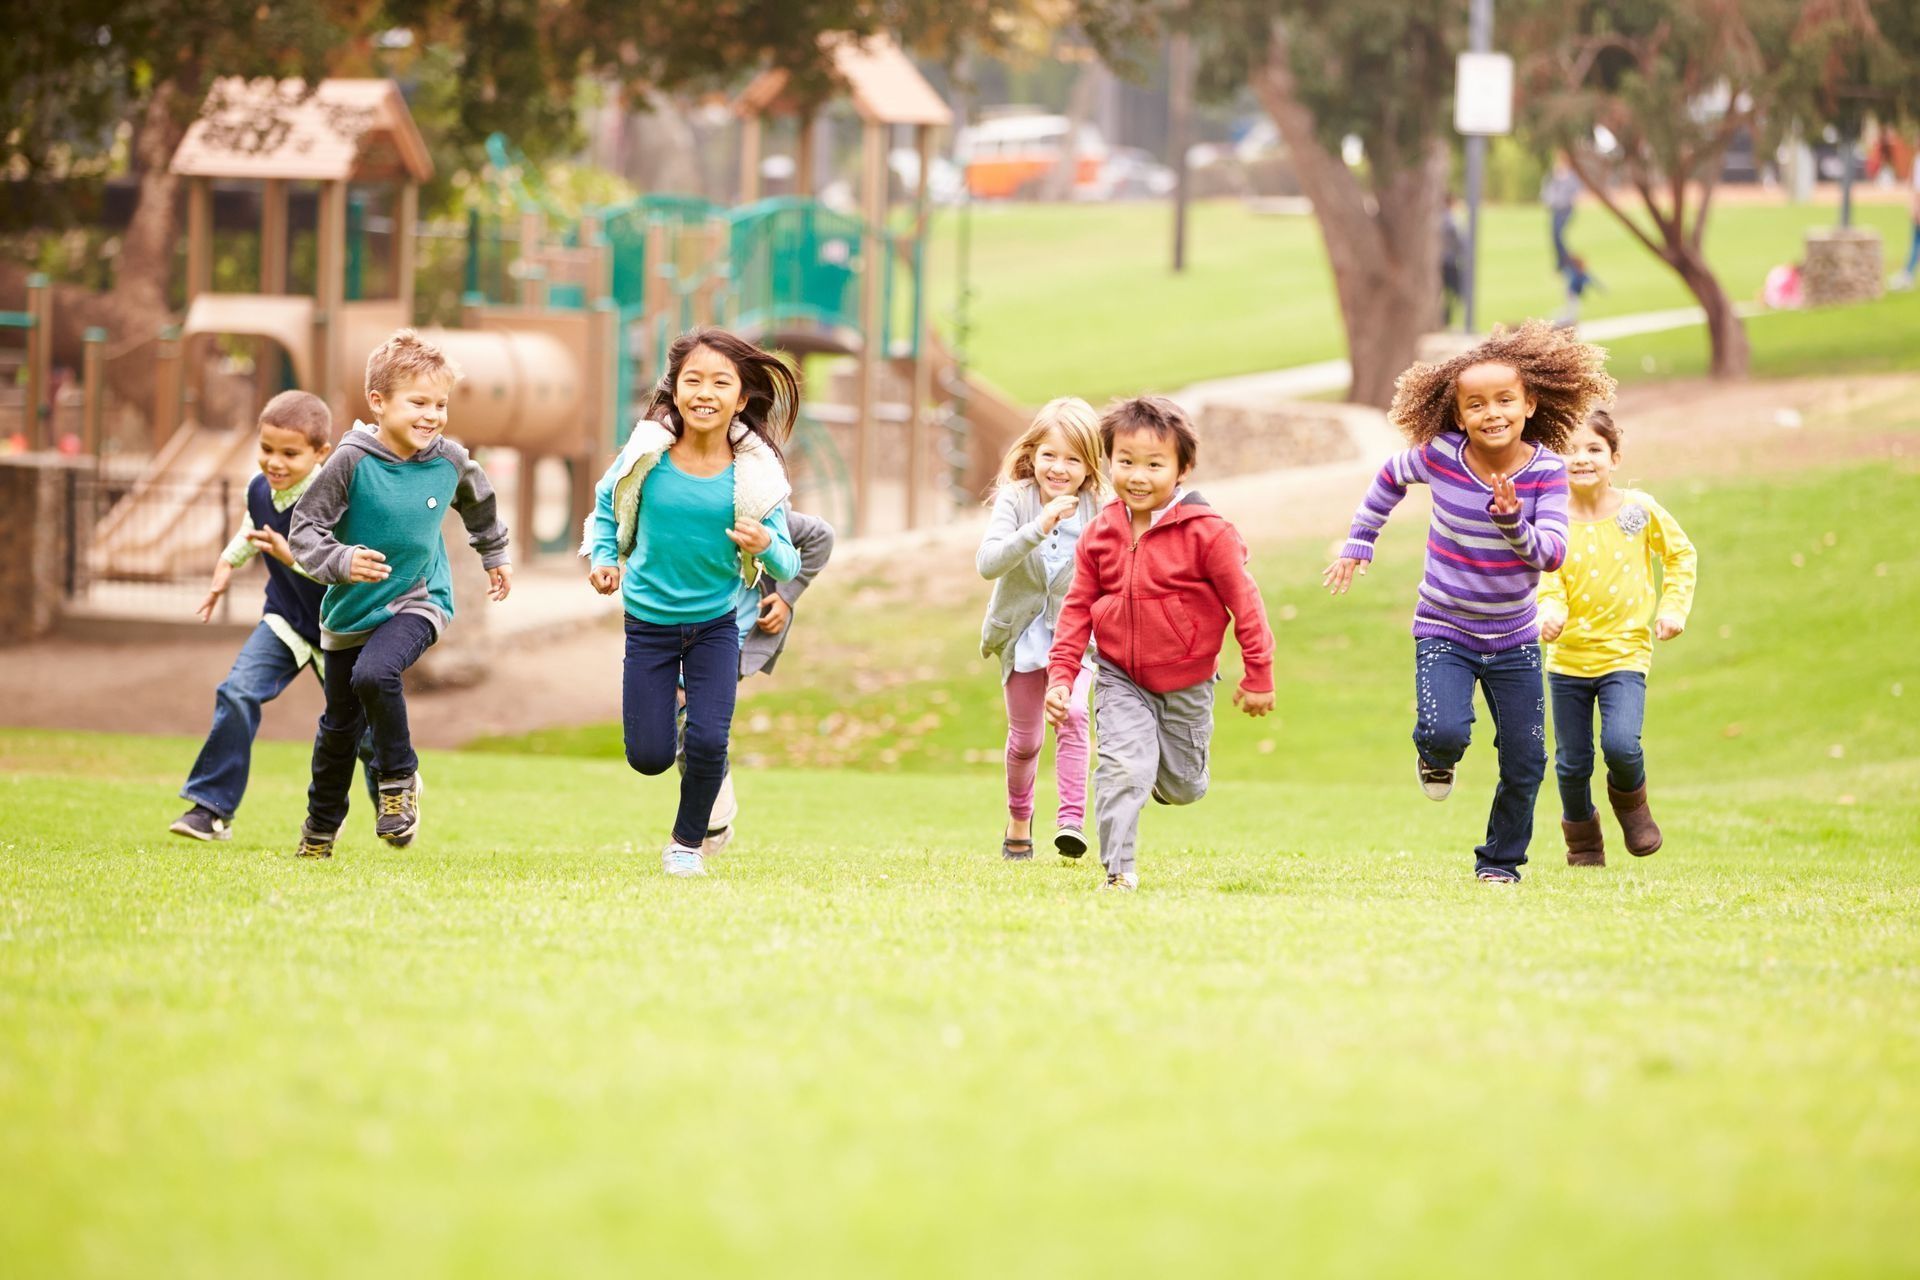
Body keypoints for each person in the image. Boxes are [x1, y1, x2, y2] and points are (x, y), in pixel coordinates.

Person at [1324, 321, 1613, 883]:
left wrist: (1512, 525)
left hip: (1515, 639)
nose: (1492, 413)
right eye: (1475, 404)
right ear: (1458, 416)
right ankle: (1434, 755)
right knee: (1444, 733)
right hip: (1444, 627)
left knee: (1527, 761)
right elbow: (1389, 476)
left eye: (1505, 400)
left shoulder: (1547, 474)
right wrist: (1362, 538)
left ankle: (1500, 863)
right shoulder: (1440, 457)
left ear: (1530, 404)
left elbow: (1551, 554)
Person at [584, 327, 800, 878]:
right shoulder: (646, 456)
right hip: (648, 625)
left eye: (720, 382)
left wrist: (766, 544)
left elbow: (789, 565)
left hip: (715, 626)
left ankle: (686, 844)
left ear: (741, 397)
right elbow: (609, 507)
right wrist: (604, 559)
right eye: (693, 380)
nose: (706, 392)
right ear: (675, 390)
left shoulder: (754, 475)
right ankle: (676, 722)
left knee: (709, 740)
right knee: (650, 756)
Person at [289, 330, 513, 858]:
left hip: (420, 598)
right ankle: (320, 829)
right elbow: (305, 531)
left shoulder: (450, 459)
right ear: (378, 401)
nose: (432, 415)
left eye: (440, 404)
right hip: (350, 612)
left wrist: (495, 554)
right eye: (418, 402)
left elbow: (478, 500)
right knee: (339, 729)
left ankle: (398, 783)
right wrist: (342, 561)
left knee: (376, 672)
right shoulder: (350, 461)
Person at [1044, 396, 1275, 892]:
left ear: (1182, 468)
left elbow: (1247, 605)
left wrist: (1259, 674)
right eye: (1125, 462)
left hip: (1187, 682)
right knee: (1123, 768)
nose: (1138, 476)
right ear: (1108, 463)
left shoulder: (1209, 535)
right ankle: (1118, 871)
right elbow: (1076, 610)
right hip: (1119, 676)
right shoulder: (1099, 534)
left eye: (1154, 464)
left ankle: (1166, 776)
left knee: (1184, 786)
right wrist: (1062, 677)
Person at [171, 391, 370, 839]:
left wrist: (291, 557)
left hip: (338, 632)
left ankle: (394, 800)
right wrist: (225, 567)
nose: (274, 463)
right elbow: (251, 529)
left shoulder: (334, 498)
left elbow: (347, 571)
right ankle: (210, 809)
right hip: (284, 622)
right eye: (266, 449)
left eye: (289, 453)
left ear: (322, 453)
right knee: (237, 692)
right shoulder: (260, 489)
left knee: (367, 736)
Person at [1537, 409, 1696, 866]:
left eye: (1593, 449)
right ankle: (1583, 841)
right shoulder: (1552, 521)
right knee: (1571, 763)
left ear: (1615, 458)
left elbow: (1681, 554)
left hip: (1625, 654)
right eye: (1568, 450)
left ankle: (1633, 808)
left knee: (1621, 745)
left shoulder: (1638, 510)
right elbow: (1546, 579)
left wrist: (1672, 609)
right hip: (1567, 662)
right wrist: (1549, 613)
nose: (1580, 458)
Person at [977, 396, 1108, 862]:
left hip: (1078, 638)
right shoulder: (1016, 499)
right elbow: (988, 564)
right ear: (1032, 453)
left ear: (1090, 467)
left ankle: (1070, 823)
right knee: (1027, 740)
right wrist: (1039, 525)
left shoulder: (1100, 508)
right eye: (1050, 454)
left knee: (1073, 715)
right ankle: (1018, 817)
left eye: (1073, 458)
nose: (1059, 468)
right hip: (1020, 635)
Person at [680, 504, 836, 857]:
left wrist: (784, 596)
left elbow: (821, 537)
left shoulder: (756, 508)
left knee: (696, 725)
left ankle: (709, 825)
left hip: (729, 637)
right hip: (676, 628)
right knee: (677, 735)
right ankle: (715, 819)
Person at [1541, 155, 1581, 274]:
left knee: (1559, 234)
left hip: (1566, 209)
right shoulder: (1552, 176)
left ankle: (1566, 261)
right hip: (1555, 209)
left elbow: (1576, 190)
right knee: (1555, 236)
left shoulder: (1571, 177)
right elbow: (1546, 192)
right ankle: (1562, 261)